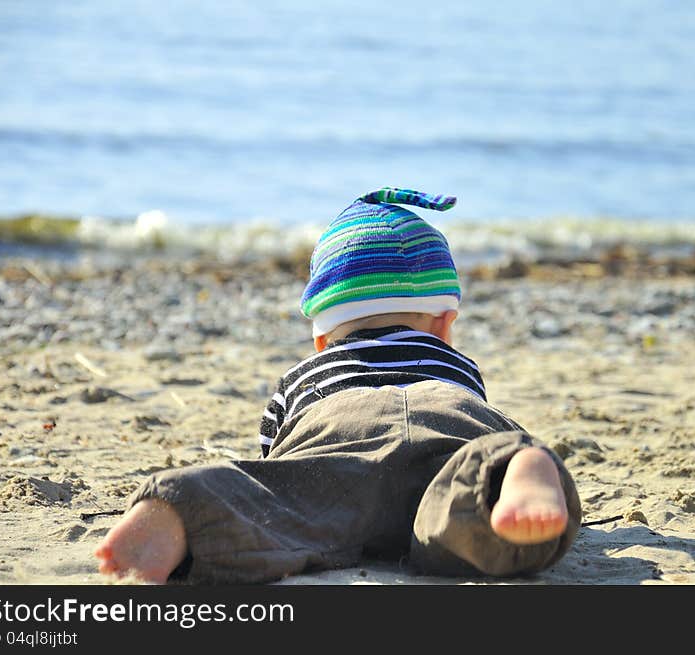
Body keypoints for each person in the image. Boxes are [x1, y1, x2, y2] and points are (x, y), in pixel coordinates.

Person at [95, 187, 582, 584]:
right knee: (475, 496)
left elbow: (273, 456)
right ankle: (519, 466)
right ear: (444, 325)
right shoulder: (457, 365)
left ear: (322, 338)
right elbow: (476, 404)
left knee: (271, 502)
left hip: (338, 436)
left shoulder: (302, 378)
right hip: (447, 427)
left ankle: (183, 503)